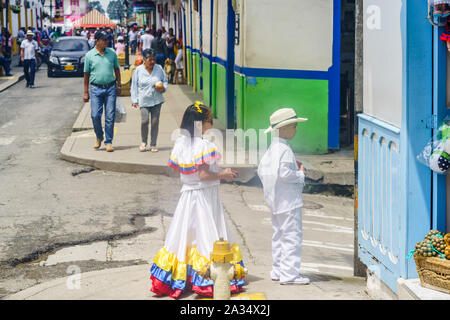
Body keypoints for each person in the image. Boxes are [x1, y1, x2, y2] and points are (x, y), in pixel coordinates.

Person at [149, 101, 244, 299]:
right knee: (207, 237)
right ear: (201, 124)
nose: (212, 124)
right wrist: (224, 174)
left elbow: (180, 171)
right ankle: (209, 278)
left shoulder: (181, 143)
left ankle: (181, 277)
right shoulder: (205, 145)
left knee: (184, 237)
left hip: (188, 195)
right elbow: (203, 176)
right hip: (204, 197)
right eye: (209, 120)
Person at [257, 107, 310, 285]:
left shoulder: (272, 149)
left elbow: (264, 171)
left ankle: (278, 270)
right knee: (292, 237)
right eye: (294, 126)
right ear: (284, 129)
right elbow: (285, 173)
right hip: (289, 202)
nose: (296, 130)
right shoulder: (285, 151)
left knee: (279, 235)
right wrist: (301, 174)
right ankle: (290, 275)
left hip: (276, 201)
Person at [83, 30, 121, 153]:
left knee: (110, 116)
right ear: (97, 41)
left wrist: (119, 86)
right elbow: (86, 75)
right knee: (95, 115)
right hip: (95, 89)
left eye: (107, 39)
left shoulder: (112, 53)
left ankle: (108, 141)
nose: (106, 41)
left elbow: (117, 70)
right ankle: (99, 136)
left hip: (110, 88)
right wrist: (85, 92)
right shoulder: (89, 55)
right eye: (104, 40)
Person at [131, 49, 167, 153]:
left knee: (155, 122)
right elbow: (134, 86)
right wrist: (134, 99)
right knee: (144, 121)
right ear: (144, 59)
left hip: (157, 100)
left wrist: (163, 88)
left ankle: (153, 144)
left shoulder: (159, 68)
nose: (152, 62)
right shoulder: (138, 70)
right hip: (144, 100)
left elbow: (164, 80)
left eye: (153, 60)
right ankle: (143, 141)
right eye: (150, 59)